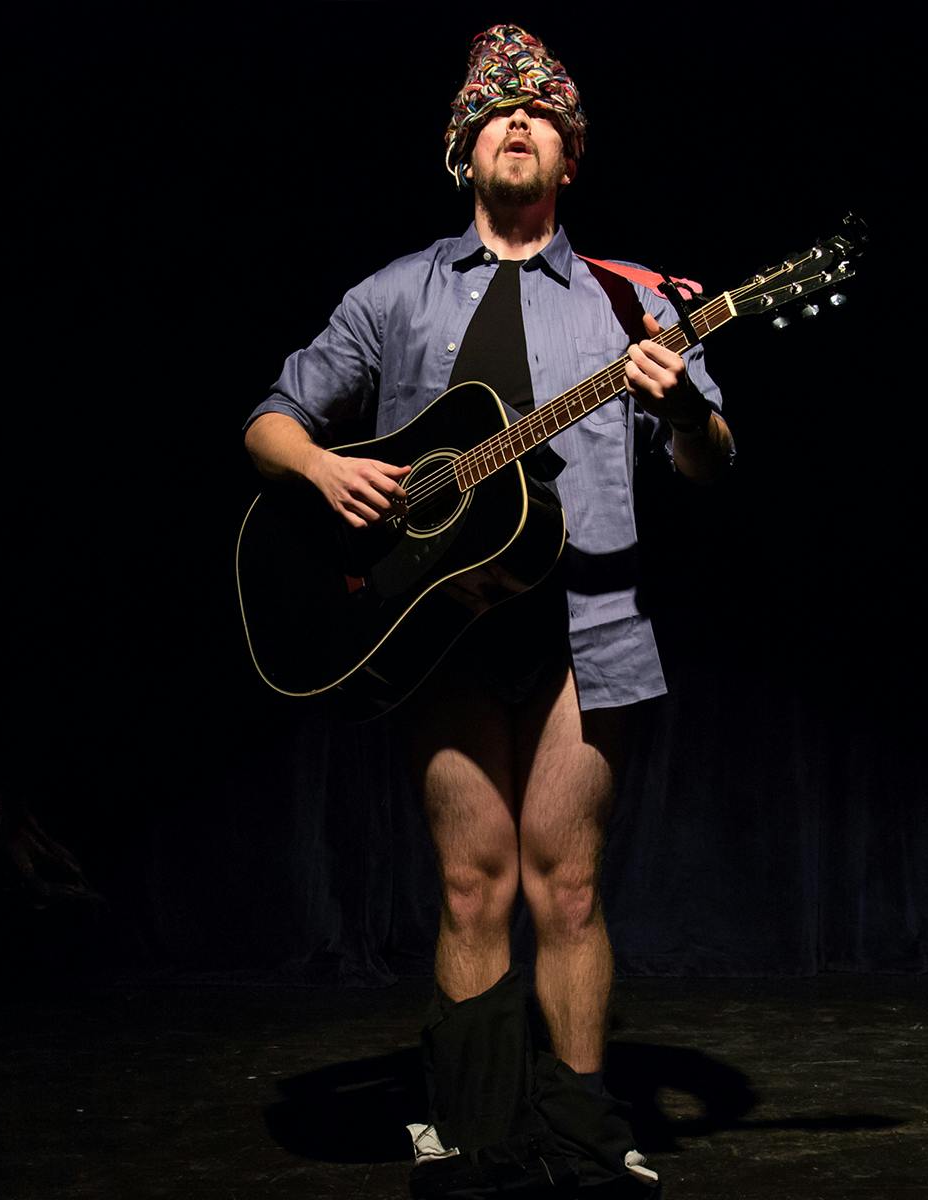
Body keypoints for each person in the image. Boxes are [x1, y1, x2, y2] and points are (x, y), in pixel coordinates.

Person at [244, 23, 733, 1195]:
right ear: (462, 150)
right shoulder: (392, 295)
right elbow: (269, 421)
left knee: (568, 886)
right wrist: (322, 468)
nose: (519, 122)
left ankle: (581, 1126)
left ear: (570, 157)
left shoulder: (633, 299)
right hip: (438, 630)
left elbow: (710, 460)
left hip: (588, 626)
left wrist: (678, 408)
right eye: (495, 112)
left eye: (544, 113)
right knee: (474, 885)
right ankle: (469, 1125)